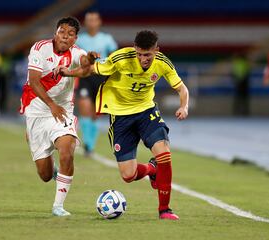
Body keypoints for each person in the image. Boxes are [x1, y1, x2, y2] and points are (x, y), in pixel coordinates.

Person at [56, 30, 189, 220]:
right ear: (135, 49)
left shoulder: (163, 63)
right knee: (128, 175)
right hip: (120, 117)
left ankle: (164, 209)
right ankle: (152, 169)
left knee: (164, 153)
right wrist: (68, 72)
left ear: (156, 50)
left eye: (148, 55)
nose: (144, 59)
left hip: (146, 112)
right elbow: (90, 70)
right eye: (140, 54)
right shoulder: (121, 58)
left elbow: (181, 88)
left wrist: (184, 106)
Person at [19, 17, 98, 216]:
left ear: (75, 38)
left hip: (62, 111)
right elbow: (35, 82)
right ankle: (55, 172)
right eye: (62, 31)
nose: (65, 36)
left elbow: (85, 66)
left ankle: (58, 206)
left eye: (70, 34)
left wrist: (90, 59)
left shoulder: (77, 52)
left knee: (67, 150)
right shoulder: (40, 48)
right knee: (45, 175)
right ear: (56, 32)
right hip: (37, 111)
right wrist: (51, 105)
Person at [76, 11, 118, 156]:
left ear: (99, 22)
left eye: (94, 20)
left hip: (101, 77)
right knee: (84, 107)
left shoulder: (107, 39)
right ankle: (87, 143)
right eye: (89, 20)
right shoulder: (79, 40)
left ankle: (90, 144)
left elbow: (114, 58)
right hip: (85, 76)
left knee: (95, 113)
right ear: (85, 23)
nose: (92, 23)